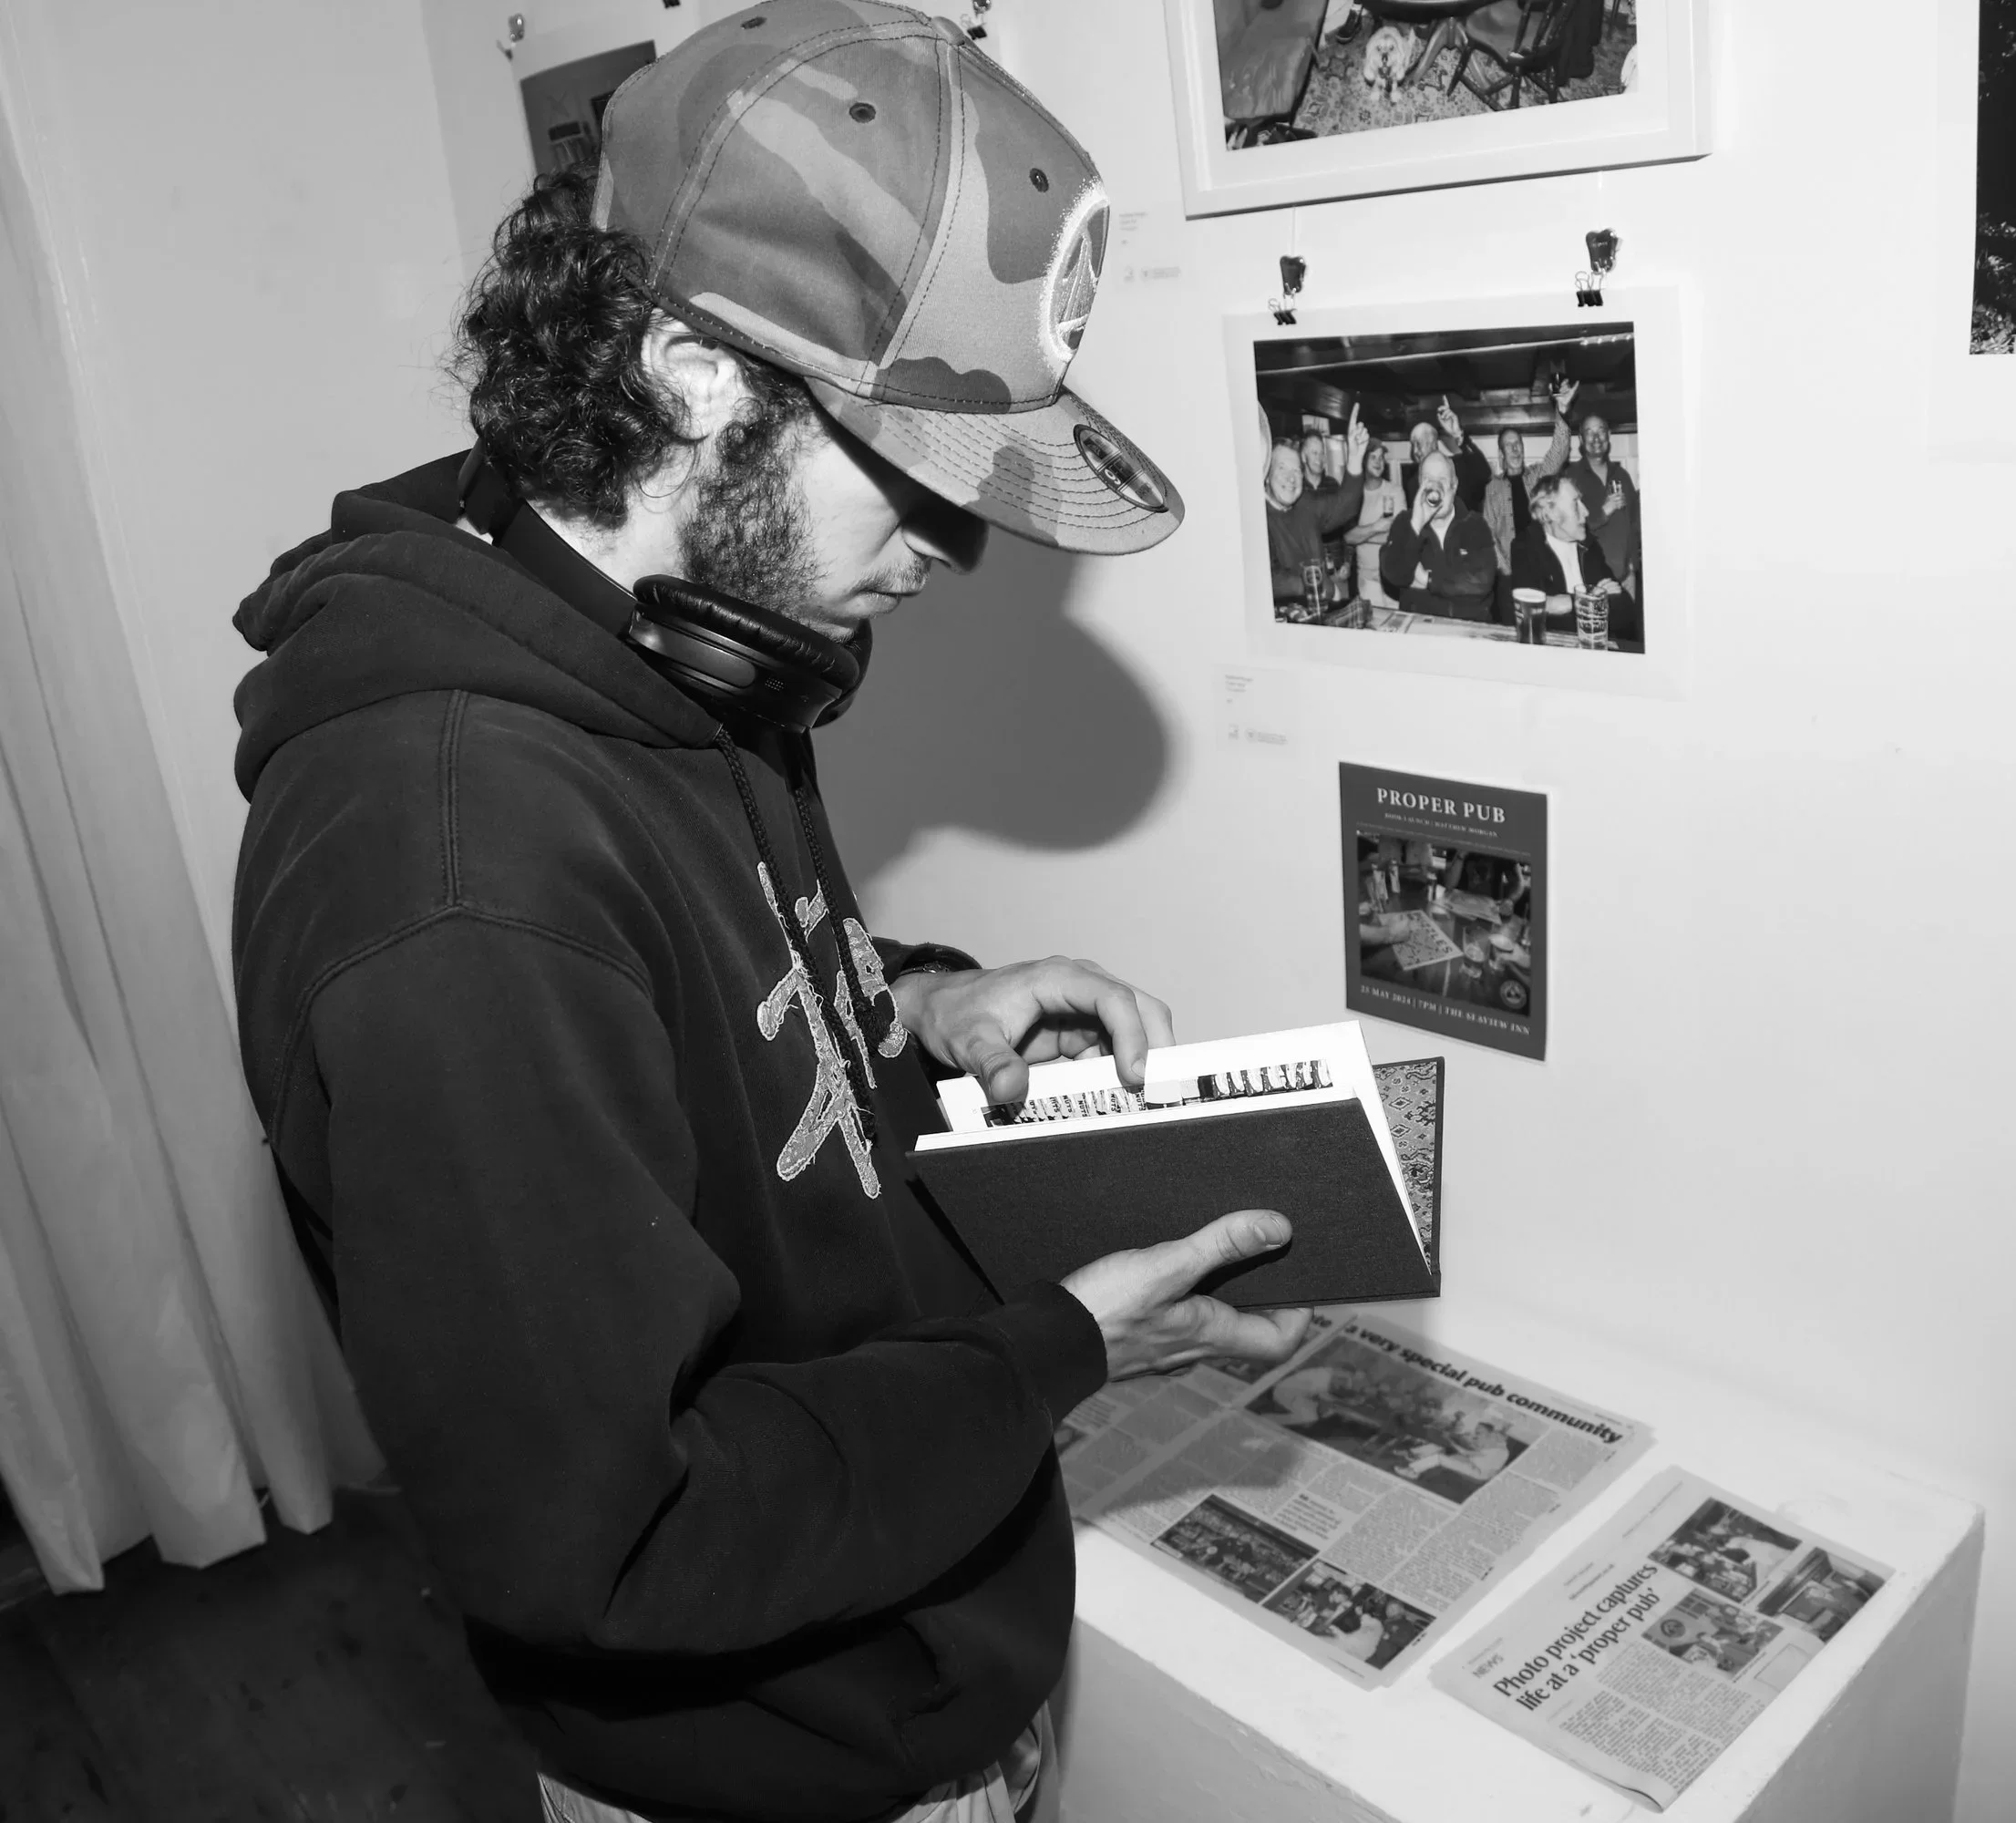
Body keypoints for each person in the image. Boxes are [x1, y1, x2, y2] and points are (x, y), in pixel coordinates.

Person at [228, 10, 1312, 1823]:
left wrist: (906, 1005)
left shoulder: (671, 632)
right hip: (774, 1769)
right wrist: (1065, 1347)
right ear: (692, 368)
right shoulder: (450, 888)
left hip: (915, 1644)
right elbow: (613, 1534)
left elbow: (688, 1032)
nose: (952, 552)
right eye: (908, 464)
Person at [1511, 474, 1642, 649]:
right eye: (1576, 504)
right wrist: (1596, 599)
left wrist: (1570, 602)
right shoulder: (1525, 548)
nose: (1586, 512)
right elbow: (1535, 619)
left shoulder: (1588, 546)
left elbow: (1625, 610)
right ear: (1550, 512)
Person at [1266, 408, 1372, 615]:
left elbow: (1346, 505)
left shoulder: (1305, 504)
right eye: (1282, 468)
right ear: (1266, 476)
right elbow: (1268, 578)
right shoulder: (1256, 516)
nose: (1291, 478)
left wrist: (1356, 457)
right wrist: (1322, 585)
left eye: (1296, 470)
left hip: (1319, 616)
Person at [1378, 450, 1497, 621]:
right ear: (1420, 483)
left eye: (1442, 479)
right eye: (1427, 479)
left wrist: (1426, 579)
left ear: (1454, 485)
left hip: (1468, 632)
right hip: (1421, 633)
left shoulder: (1475, 524)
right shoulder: (1405, 522)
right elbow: (1394, 575)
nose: (1435, 487)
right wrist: (1416, 526)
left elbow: (1482, 581)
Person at [1480, 379, 1580, 582]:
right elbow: (1488, 533)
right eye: (1509, 445)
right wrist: (1505, 569)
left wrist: (1562, 409)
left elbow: (1559, 452)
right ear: (1501, 454)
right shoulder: (1492, 488)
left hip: (1543, 566)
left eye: (1518, 444)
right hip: (1509, 570)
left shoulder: (1538, 475)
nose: (1515, 449)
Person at [1563, 413, 1641, 583]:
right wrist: (1603, 512)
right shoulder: (1570, 478)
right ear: (1581, 439)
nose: (1596, 437)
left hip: (1626, 578)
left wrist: (1632, 565)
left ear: (1609, 435)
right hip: (1590, 580)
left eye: (1601, 431)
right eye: (1589, 432)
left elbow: (1635, 523)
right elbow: (1567, 529)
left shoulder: (1622, 475)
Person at [1404, 396, 1495, 515]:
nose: (1415, 451)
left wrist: (1458, 434)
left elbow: (1484, 473)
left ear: (1433, 444)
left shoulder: (1457, 468)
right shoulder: (1413, 484)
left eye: (1419, 444)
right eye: (1413, 445)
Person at [1342, 439, 1404, 607]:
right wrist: (1377, 527)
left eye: (1381, 457)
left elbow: (1399, 536)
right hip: (1366, 580)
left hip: (1392, 577)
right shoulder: (1353, 495)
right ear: (1363, 460)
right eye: (1373, 457)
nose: (1379, 462)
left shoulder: (1395, 491)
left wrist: (1360, 535)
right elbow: (1347, 537)